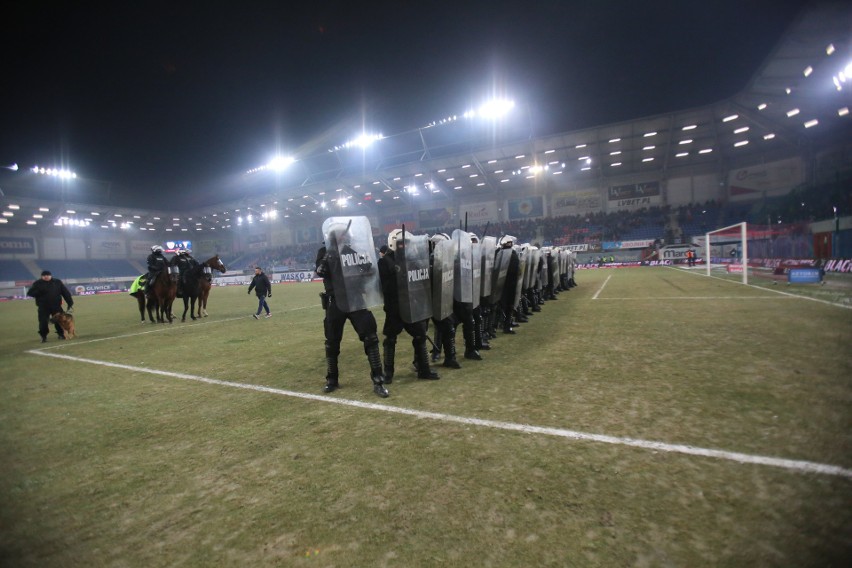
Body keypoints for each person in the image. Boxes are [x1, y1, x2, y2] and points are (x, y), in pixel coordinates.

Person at [316, 219, 389, 398]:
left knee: (371, 338)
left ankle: (378, 380)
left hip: (355, 299)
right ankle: (332, 379)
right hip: (335, 301)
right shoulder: (324, 252)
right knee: (332, 342)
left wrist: (363, 263)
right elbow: (321, 271)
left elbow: (369, 269)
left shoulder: (350, 251)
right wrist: (331, 252)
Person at [379, 229, 439, 382]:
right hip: (395, 307)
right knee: (390, 339)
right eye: (403, 243)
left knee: (420, 336)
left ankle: (424, 369)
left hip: (412, 305)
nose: (406, 246)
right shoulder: (385, 261)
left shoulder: (412, 259)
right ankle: (388, 373)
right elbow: (385, 287)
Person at [27, 270, 74, 342]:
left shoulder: (57, 282)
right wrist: (38, 292)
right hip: (43, 307)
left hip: (56, 306)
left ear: (51, 275)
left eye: (47, 275)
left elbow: (65, 292)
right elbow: (30, 293)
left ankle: (61, 334)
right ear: (42, 276)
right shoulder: (37, 283)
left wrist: (70, 302)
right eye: (44, 275)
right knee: (43, 322)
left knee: (60, 321)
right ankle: (43, 336)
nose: (46, 276)